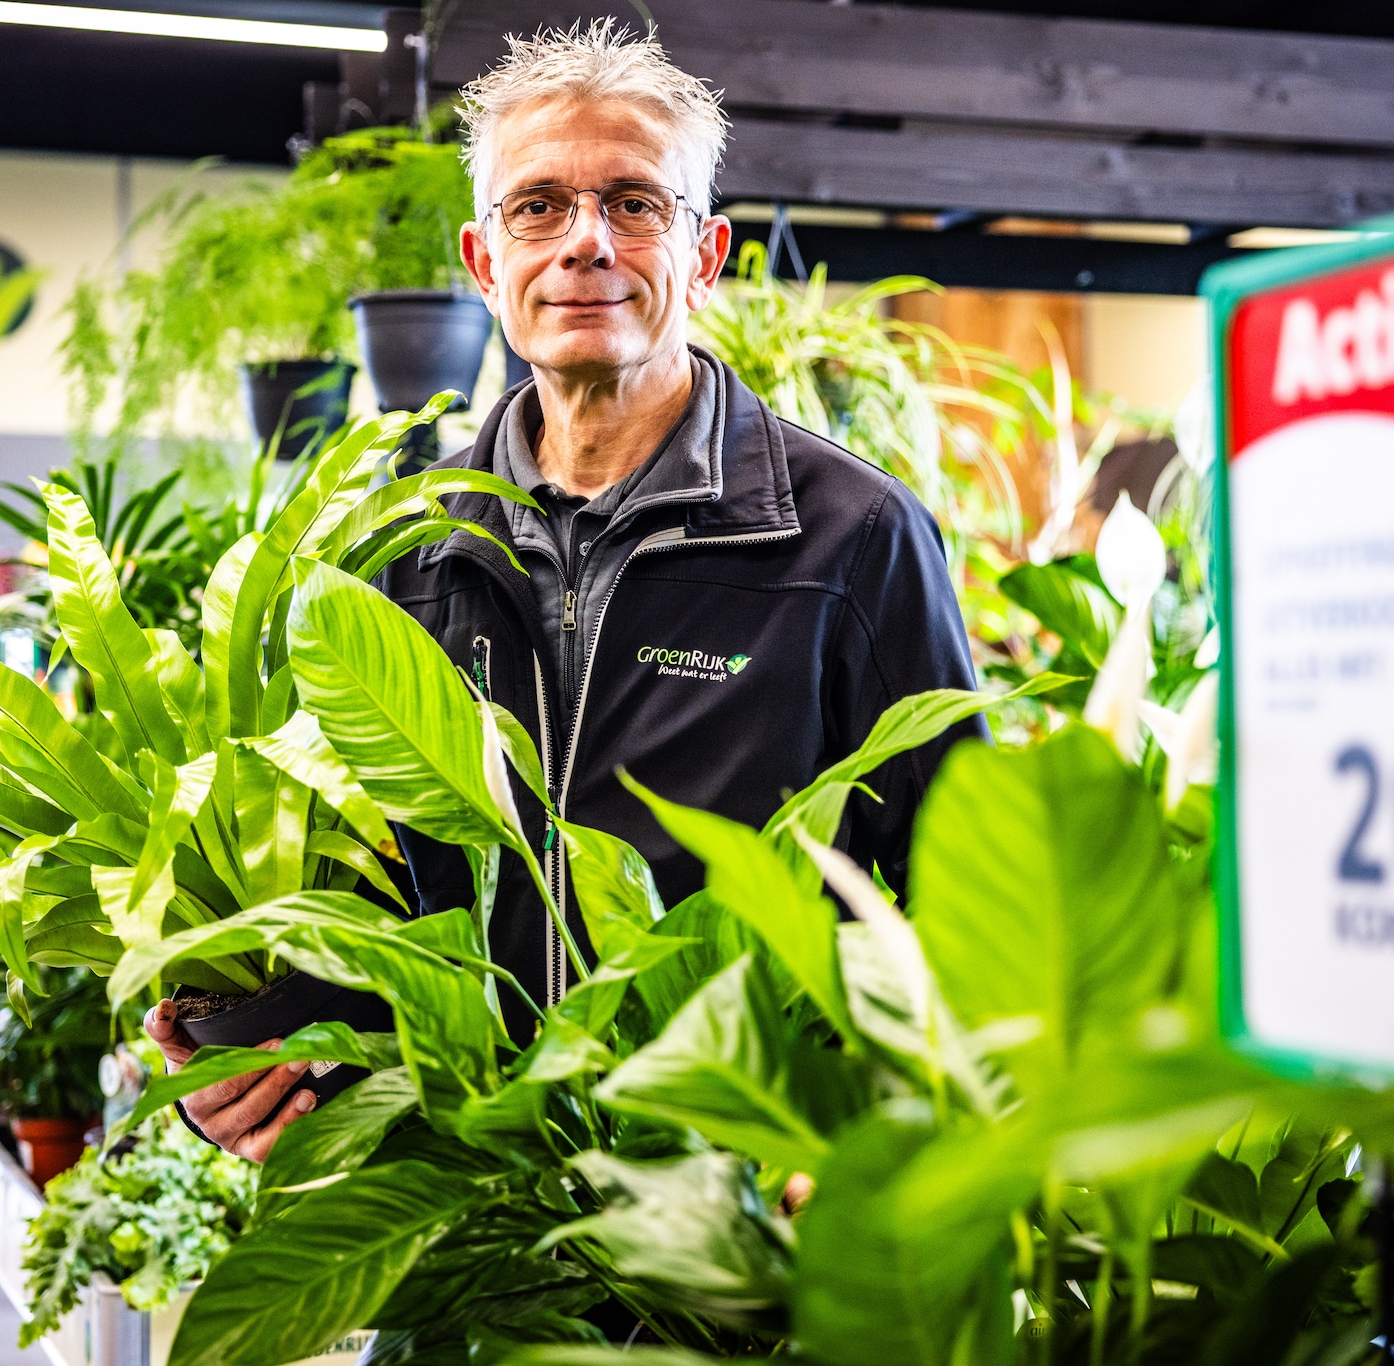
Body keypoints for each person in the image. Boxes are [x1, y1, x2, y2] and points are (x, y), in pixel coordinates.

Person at [145, 20, 983, 1161]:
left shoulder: (850, 538)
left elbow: (960, 898)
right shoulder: (393, 539)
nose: (585, 242)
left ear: (705, 254)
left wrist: (875, 1150)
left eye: (634, 203)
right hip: (454, 1227)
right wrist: (230, 1060)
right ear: (483, 262)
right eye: (537, 205)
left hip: (726, 1242)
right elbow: (321, 868)